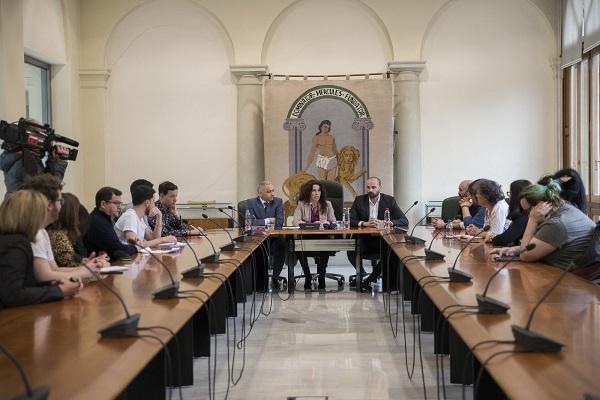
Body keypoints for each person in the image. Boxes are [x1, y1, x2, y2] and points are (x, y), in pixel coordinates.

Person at [490, 180, 595, 270]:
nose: (527, 215)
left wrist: (532, 220)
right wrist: (515, 249)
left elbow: (525, 255)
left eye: (527, 211)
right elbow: (543, 244)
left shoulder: (557, 224)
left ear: (541, 205)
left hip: (570, 282)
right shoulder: (565, 208)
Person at [0, 190, 81, 307]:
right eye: (42, 211)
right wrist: (60, 291)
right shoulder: (14, 244)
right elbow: (13, 294)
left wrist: (56, 284)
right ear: (29, 215)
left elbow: (25, 283)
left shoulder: (16, 239)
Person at [21, 174, 106, 282]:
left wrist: (88, 267)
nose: (62, 206)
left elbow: (55, 269)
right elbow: (44, 276)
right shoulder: (34, 233)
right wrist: (84, 272)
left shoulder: (42, 232)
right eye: (60, 201)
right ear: (49, 205)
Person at [347, 177, 408, 290]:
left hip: (382, 239)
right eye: (368, 187)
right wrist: (364, 223)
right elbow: (350, 220)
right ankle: (364, 275)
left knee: (390, 252)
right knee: (351, 250)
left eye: (374, 187)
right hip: (363, 238)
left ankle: (370, 279)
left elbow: (404, 220)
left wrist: (388, 222)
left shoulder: (389, 200)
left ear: (380, 187)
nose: (370, 190)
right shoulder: (359, 200)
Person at [0, 118, 70, 196]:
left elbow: (43, 181)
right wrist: (58, 162)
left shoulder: (17, 155)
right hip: (26, 207)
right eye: (41, 136)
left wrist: (53, 159)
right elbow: (48, 191)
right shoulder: (26, 160)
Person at [292, 180, 336, 289]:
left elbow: (334, 221)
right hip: (307, 236)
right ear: (308, 192)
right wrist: (311, 224)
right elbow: (295, 221)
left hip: (323, 236)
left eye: (319, 191)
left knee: (324, 244)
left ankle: (322, 276)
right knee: (298, 245)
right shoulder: (302, 204)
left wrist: (327, 223)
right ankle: (307, 275)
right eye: (314, 191)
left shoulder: (327, 204)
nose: (317, 193)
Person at [244, 181, 286, 289]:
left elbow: (279, 222)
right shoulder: (251, 203)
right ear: (260, 193)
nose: (272, 194)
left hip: (274, 238)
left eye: (273, 191)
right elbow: (251, 223)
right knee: (257, 249)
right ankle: (260, 282)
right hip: (257, 238)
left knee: (282, 245)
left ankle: (275, 278)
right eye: (268, 191)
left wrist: (261, 223)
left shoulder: (278, 201)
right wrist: (269, 221)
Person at [84, 186, 137, 259]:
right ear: (103, 204)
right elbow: (118, 248)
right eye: (116, 203)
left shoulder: (104, 218)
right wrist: (136, 247)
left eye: (120, 204)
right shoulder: (98, 222)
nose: (120, 207)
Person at [47, 193, 88, 267]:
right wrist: (93, 264)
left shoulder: (62, 232)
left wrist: (89, 261)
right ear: (72, 213)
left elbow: (75, 259)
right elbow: (71, 265)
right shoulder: (58, 235)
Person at [491, 180, 531, 246]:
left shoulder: (524, 216)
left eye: (510, 193)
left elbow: (503, 239)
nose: (509, 197)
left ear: (516, 196)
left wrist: (491, 238)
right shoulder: (522, 215)